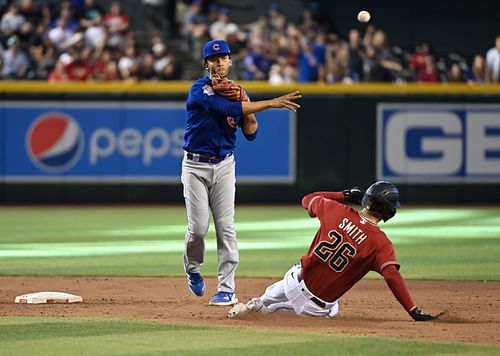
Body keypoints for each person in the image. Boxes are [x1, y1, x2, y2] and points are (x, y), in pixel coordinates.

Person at [183, 39, 302, 306]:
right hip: (195, 166)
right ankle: (192, 268)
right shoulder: (199, 90)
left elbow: (250, 134)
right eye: (213, 59)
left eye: (223, 58)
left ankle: (227, 288)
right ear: (206, 64)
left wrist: (249, 110)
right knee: (199, 228)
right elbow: (227, 110)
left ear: (230, 62)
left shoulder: (240, 93)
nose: (219, 63)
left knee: (226, 228)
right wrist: (271, 103)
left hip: (224, 165)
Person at [228, 181, 438, 321]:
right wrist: (412, 310)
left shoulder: (337, 210)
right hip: (314, 307)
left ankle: (258, 303)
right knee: (330, 309)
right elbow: (392, 275)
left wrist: (342, 195)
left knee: (276, 293)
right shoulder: (381, 244)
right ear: (389, 212)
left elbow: (308, 199)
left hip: (293, 278)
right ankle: (263, 309)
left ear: (366, 200)